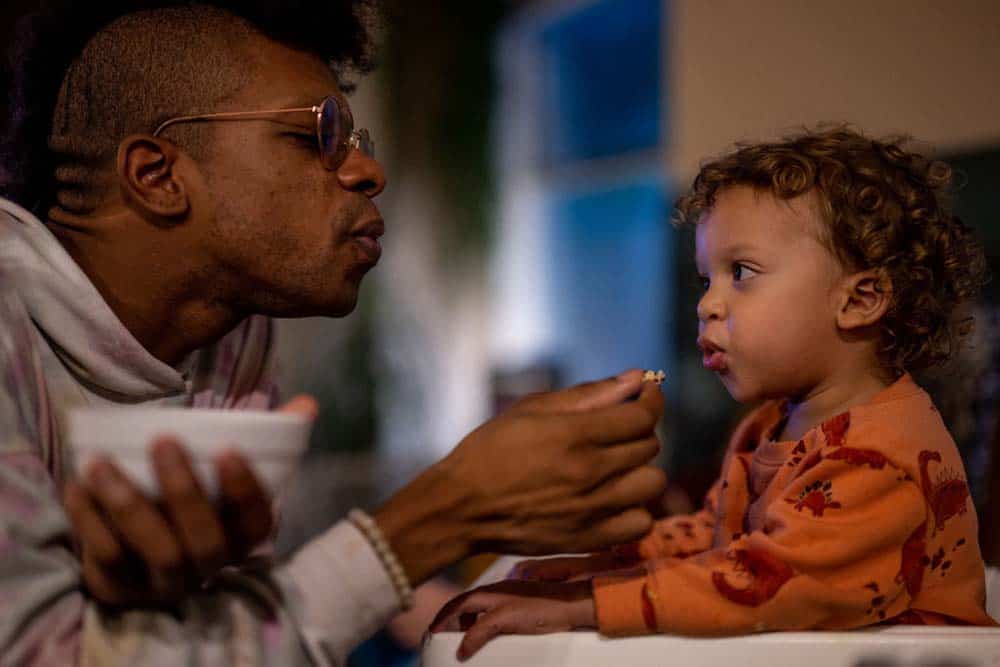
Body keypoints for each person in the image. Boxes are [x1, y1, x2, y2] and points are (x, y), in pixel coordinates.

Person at [0, 2, 668, 664]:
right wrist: (442, 513)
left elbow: (229, 635)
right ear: (159, 174)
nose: (364, 172)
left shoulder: (230, 337)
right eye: (319, 133)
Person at [431, 126, 997, 659]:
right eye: (708, 279)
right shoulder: (769, 423)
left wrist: (582, 606)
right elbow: (717, 539)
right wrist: (604, 565)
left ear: (859, 300)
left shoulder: (878, 458)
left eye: (742, 272)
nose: (708, 303)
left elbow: (767, 584)